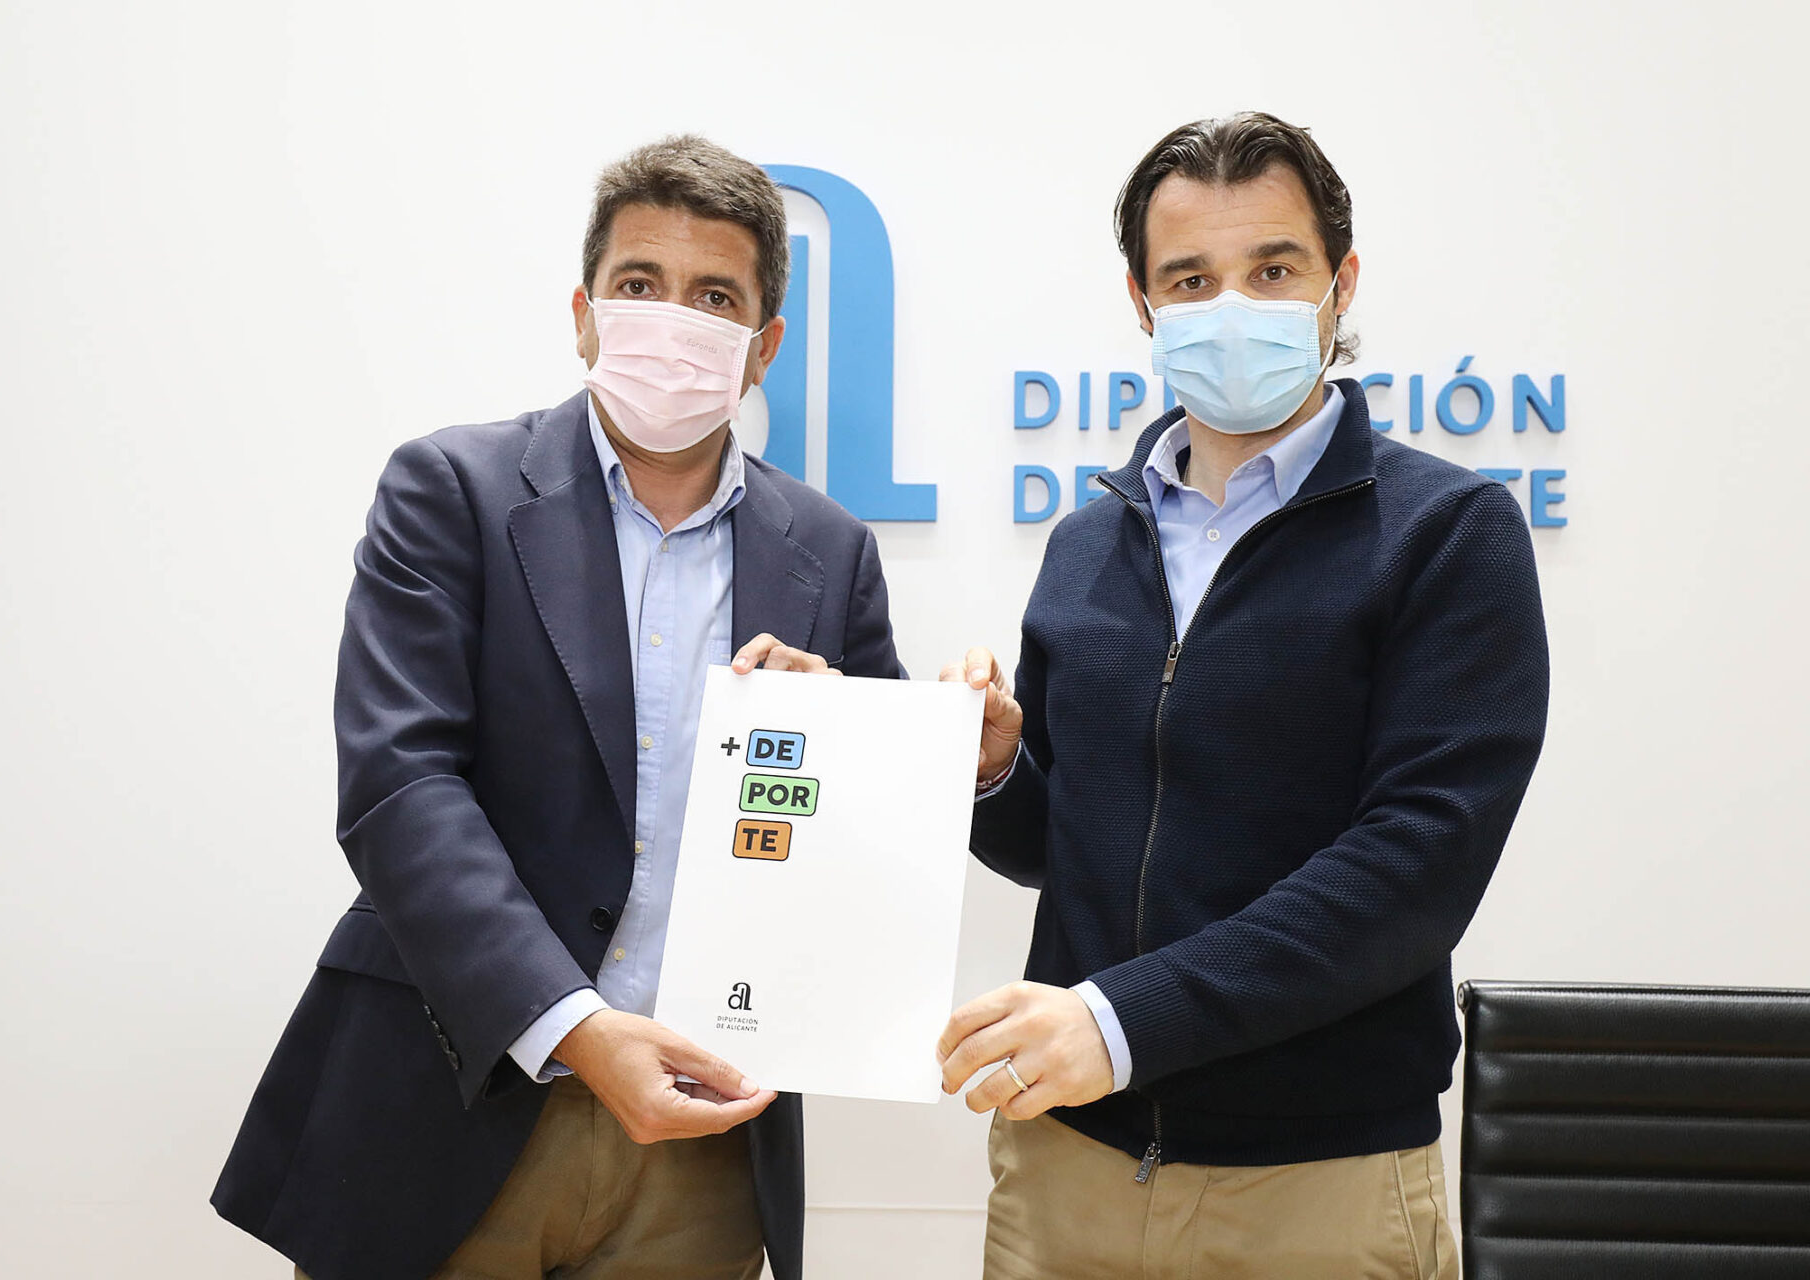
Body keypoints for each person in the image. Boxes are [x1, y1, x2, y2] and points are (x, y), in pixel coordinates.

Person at [213, 134, 903, 1280]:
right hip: (451, 1092)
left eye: (714, 297)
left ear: (764, 346)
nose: (672, 321)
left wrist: (837, 745)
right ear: (585, 315)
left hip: (700, 1135)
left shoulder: (829, 551)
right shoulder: (451, 490)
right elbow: (399, 786)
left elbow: (873, 844)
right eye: (640, 284)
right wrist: (576, 1026)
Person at [937, 112, 1548, 1278]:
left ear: (1339, 284)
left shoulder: (1447, 534)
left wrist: (1122, 1020)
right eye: (1191, 278)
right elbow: (1069, 849)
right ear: (1143, 303)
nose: (1232, 306)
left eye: (1272, 270)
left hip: (1317, 1185)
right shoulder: (1087, 543)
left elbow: (1413, 868)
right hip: (1065, 1167)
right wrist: (999, 770)